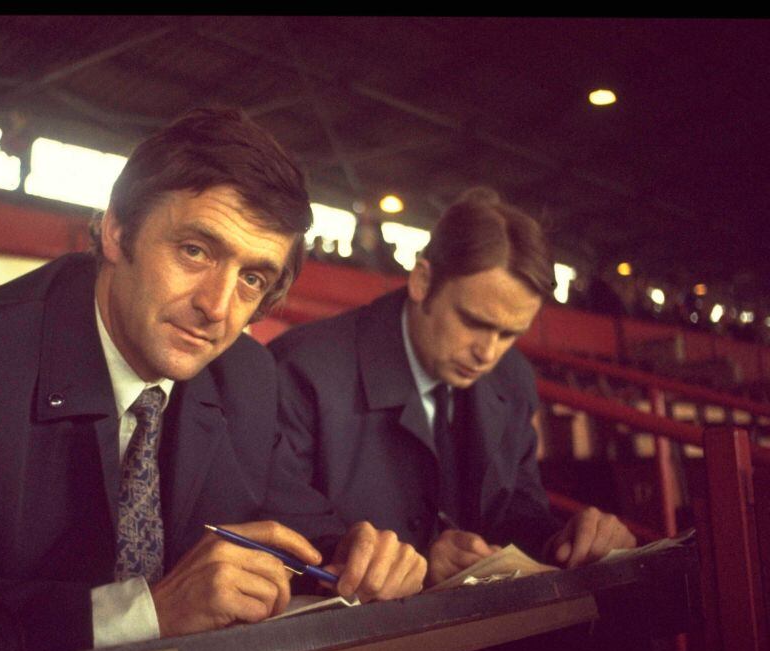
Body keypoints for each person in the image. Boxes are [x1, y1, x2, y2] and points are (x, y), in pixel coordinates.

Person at [0, 108, 426, 651]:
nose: (218, 309)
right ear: (117, 232)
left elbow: (298, 525)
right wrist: (143, 614)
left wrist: (353, 555)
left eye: (252, 278)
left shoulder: (246, 375)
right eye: (196, 251)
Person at [270, 187, 637, 587]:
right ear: (422, 281)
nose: (488, 353)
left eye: (509, 334)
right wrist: (420, 562)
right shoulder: (301, 368)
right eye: (474, 322)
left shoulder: (512, 377)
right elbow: (282, 524)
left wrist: (560, 540)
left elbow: (516, 506)